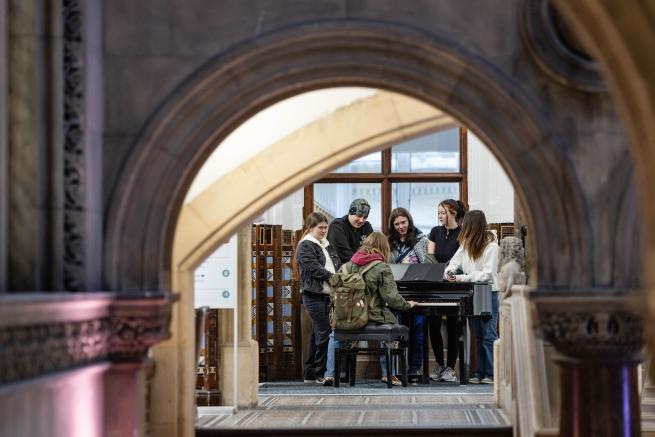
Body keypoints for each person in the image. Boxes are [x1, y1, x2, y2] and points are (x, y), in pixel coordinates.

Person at [340, 232, 417, 385]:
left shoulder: (348, 265)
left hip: (348, 316)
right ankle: (390, 373)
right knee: (392, 324)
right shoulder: (382, 267)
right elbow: (392, 298)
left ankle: (342, 375)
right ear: (383, 247)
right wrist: (408, 305)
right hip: (372, 315)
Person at [444, 210, 499, 384]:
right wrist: (450, 273)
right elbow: (453, 263)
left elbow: (487, 275)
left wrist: (461, 277)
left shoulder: (492, 246)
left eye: (465, 223)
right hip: (472, 292)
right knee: (478, 335)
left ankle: (490, 374)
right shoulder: (466, 244)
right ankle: (479, 373)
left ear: (473, 225)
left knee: (489, 335)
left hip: (489, 292)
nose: (462, 226)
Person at [296, 212, 342, 385]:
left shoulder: (326, 244)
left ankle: (311, 374)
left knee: (319, 334)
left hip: (326, 295)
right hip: (313, 294)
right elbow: (313, 268)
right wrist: (334, 278)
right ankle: (319, 373)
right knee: (324, 333)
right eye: (320, 227)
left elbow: (336, 264)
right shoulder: (306, 245)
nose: (324, 230)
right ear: (310, 228)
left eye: (325, 227)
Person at [387, 207, 430, 379]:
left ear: (409, 221)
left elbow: (428, 264)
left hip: (418, 290)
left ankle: (415, 367)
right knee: (399, 328)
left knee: (418, 329)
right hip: (397, 292)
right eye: (396, 224)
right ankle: (399, 368)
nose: (400, 226)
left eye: (403, 222)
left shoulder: (421, 240)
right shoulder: (390, 242)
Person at [427, 199, 466, 382]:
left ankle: (450, 367)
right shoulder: (435, 231)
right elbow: (430, 256)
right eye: (439, 212)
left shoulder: (463, 233)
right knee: (433, 324)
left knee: (453, 325)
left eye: (443, 212)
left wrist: (449, 271)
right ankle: (440, 365)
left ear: (453, 213)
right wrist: (438, 272)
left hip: (454, 284)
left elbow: (462, 261)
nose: (440, 216)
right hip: (436, 283)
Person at [327, 198, 374, 264]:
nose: (361, 220)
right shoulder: (337, 226)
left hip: (362, 266)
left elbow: (373, 251)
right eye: (359, 215)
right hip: (341, 268)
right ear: (350, 213)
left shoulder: (367, 227)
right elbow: (345, 254)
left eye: (365, 217)